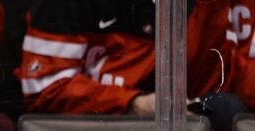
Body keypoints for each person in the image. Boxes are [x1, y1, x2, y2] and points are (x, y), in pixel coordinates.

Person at [18, 1, 238, 115]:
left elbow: (223, 80)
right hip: (91, 130)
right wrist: (132, 102)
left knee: (226, 108)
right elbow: (45, 88)